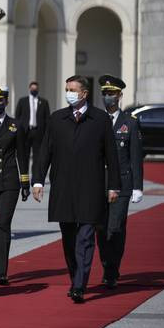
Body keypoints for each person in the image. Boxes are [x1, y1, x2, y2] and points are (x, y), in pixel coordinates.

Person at [32, 75, 121, 303]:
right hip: (63, 189)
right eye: (66, 89)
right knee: (69, 239)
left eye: (72, 89)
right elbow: (45, 153)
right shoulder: (57, 119)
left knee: (86, 238)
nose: (68, 93)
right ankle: (75, 277)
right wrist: (38, 181)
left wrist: (113, 186)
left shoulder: (100, 120)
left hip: (91, 189)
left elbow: (112, 156)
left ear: (84, 93)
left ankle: (80, 285)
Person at [96, 75, 144, 289]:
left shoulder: (130, 123)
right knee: (100, 229)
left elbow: (135, 156)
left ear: (120, 96)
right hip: (99, 184)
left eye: (112, 94)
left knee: (115, 229)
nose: (108, 97)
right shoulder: (96, 121)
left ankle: (112, 270)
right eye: (105, 94)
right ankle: (107, 264)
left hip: (122, 184)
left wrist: (137, 186)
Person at [0, 84, 30, 286]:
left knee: (3, 225)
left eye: (0, 100)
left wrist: (25, 180)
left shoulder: (15, 126)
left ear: (6, 102)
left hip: (9, 181)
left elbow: (22, 154)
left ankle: (2, 272)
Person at [15, 81, 50, 170]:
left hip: (38, 132)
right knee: (25, 154)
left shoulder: (44, 102)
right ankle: (25, 175)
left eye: (36, 88)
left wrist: (46, 132)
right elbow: (17, 117)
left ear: (38, 89)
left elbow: (47, 118)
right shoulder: (22, 101)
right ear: (29, 89)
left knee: (37, 156)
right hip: (25, 131)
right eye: (32, 88)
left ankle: (35, 177)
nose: (34, 90)